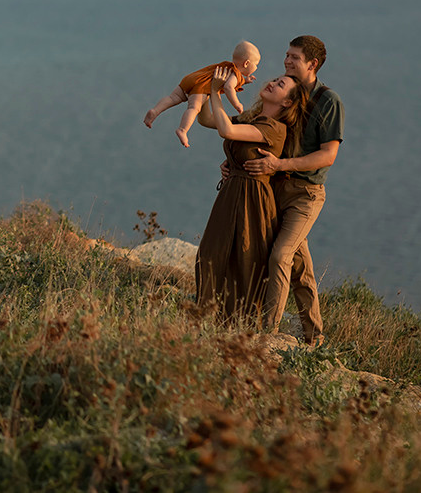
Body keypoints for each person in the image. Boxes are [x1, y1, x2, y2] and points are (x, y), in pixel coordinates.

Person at [242, 35, 344, 345]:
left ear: (312, 64)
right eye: (286, 55)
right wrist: (235, 163)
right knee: (300, 269)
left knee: (280, 257)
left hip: (305, 195)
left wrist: (280, 166)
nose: (287, 61)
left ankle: (267, 336)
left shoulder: (329, 101)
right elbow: (260, 132)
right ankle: (315, 338)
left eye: (294, 57)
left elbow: (328, 155)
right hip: (275, 191)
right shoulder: (284, 92)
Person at [194, 66, 308, 322]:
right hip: (230, 195)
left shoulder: (276, 128)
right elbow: (208, 120)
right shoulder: (250, 118)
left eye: (280, 85)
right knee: (210, 255)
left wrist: (216, 91)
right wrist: (202, 88)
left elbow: (227, 131)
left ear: (287, 101)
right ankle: (206, 316)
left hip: (254, 201)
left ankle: (240, 326)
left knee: (244, 262)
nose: (272, 83)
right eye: (275, 79)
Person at [143, 40, 261, 148]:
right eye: (256, 64)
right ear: (246, 63)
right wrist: (237, 104)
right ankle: (182, 129)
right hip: (201, 87)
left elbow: (231, 83)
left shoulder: (227, 66)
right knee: (194, 108)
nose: (256, 67)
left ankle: (155, 111)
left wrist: (245, 81)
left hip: (191, 78)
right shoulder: (235, 74)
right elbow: (229, 87)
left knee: (173, 97)